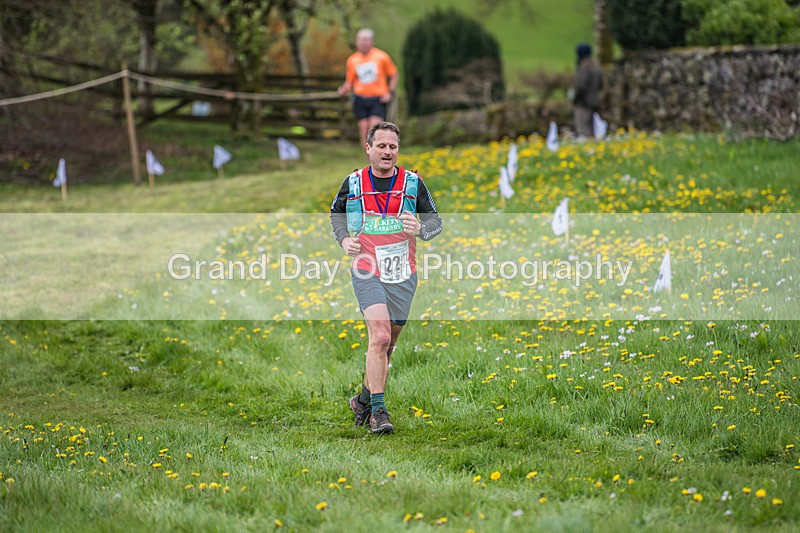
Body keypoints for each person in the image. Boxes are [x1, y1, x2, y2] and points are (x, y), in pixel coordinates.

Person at [329, 121, 442, 434]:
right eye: (381, 146)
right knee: (378, 338)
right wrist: (344, 240)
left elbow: (436, 222)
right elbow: (336, 214)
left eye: (393, 146)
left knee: (388, 345)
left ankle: (362, 400)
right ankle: (378, 413)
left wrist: (421, 228)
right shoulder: (353, 182)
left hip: (403, 273)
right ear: (368, 148)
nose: (387, 152)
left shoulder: (413, 183)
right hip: (367, 269)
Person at [338, 28, 399, 146]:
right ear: (357, 42)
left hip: (377, 99)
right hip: (360, 99)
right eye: (361, 40)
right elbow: (350, 82)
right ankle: (367, 156)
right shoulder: (352, 60)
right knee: (364, 130)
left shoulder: (381, 57)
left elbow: (394, 74)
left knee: (375, 129)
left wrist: (389, 92)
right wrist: (343, 89)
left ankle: (379, 154)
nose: (363, 43)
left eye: (366, 40)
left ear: (372, 42)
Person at [572, 43, 604, 138]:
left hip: (583, 102)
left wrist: (575, 98)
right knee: (593, 130)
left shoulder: (584, 68)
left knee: (583, 131)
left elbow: (581, 86)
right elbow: (601, 85)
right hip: (595, 101)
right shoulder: (597, 68)